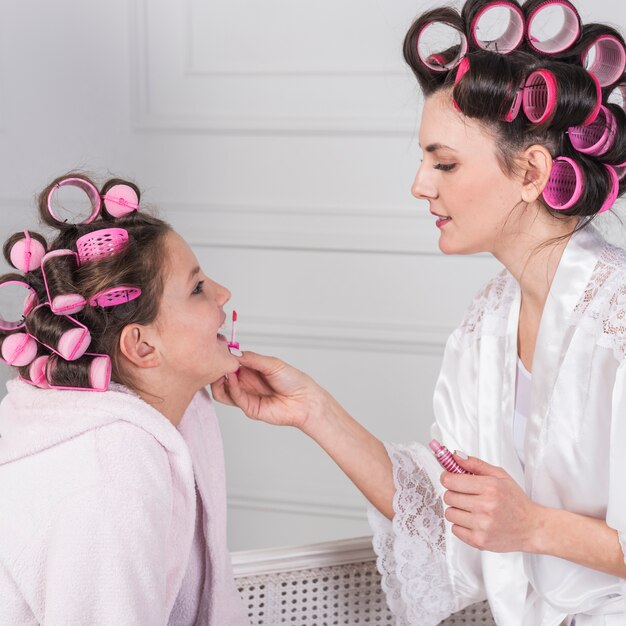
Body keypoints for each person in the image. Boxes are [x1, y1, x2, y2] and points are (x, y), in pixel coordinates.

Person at [211, 0, 626, 624]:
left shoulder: (618, 323)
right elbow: (441, 510)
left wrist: (534, 526)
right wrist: (314, 413)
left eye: (445, 162)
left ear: (532, 172)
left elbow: (511, 523)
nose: (420, 185)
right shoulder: (487, 322)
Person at [0, 173, 249, 625]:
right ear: (142, 347)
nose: (222, 294)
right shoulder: (108, 477)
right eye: (197, 288)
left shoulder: (142, 435)